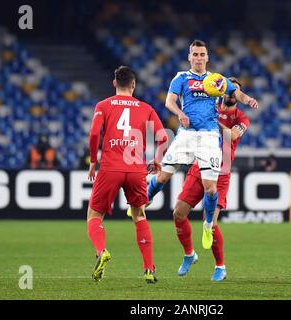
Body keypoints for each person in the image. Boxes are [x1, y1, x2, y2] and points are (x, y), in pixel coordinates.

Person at [141, 40, 258, 250]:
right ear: (189, 57)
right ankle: (144, 199)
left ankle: (206, 225)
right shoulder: (181, 77)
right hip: (186, 133)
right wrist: (180, 114)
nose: (198, 58)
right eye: (195, 54)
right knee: (163, 175)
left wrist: (248, 99)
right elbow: (169, 101)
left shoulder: (216, 80)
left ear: (207, 57)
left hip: (209, 137)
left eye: (202, 54)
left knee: (210, 189)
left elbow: (236, 92)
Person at [86, 66, 167, 283]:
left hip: (110, 167)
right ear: (133, 85)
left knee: (94, 216)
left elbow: (94, 134)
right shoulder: (146, 108)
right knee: (139, 215)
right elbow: (163, 138)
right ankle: (149, 269)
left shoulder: (103, 105)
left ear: (114, 83)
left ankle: (101, 251)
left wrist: (94, 161)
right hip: (136, 170)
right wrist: (157, 160)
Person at [173, 77, 250, 281]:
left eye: (235, 92)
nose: (231, 95)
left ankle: (220, 266)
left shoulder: (242, 119)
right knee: (178, 213)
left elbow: (232, 136)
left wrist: (210, 121)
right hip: (200, 167)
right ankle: (189, 254)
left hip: (220, 173)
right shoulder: (211, 106)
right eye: (229, 90)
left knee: (211, 223)